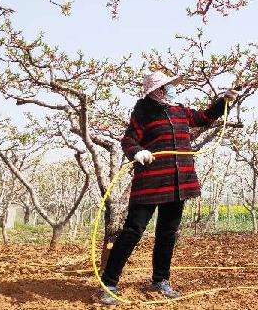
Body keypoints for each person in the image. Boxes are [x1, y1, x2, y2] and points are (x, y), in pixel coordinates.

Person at [99, 71, 237, 305]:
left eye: (171, 85)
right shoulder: (143, 111)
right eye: (167, 86)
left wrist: (223, 101)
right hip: (151, 183)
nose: (171, 89)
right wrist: (137, 152)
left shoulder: (179, 110)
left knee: (168, 233)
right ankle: (109, 283)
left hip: (178, 182)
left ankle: (160, 280)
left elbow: (204, 117)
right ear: (156, 90)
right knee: (133, 231)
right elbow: (128, 140)